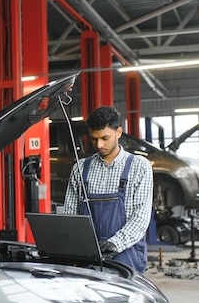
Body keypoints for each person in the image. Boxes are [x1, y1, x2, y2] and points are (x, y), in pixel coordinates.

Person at [63, 106, 153, 273]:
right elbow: (70, 215)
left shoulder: (139, 166)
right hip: (87, 256)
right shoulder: (80, 168)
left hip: (126, 255)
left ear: (118, 132)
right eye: (93, 139)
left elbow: (141, 217)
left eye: (105, 138)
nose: (99, 145)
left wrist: (115, 243)